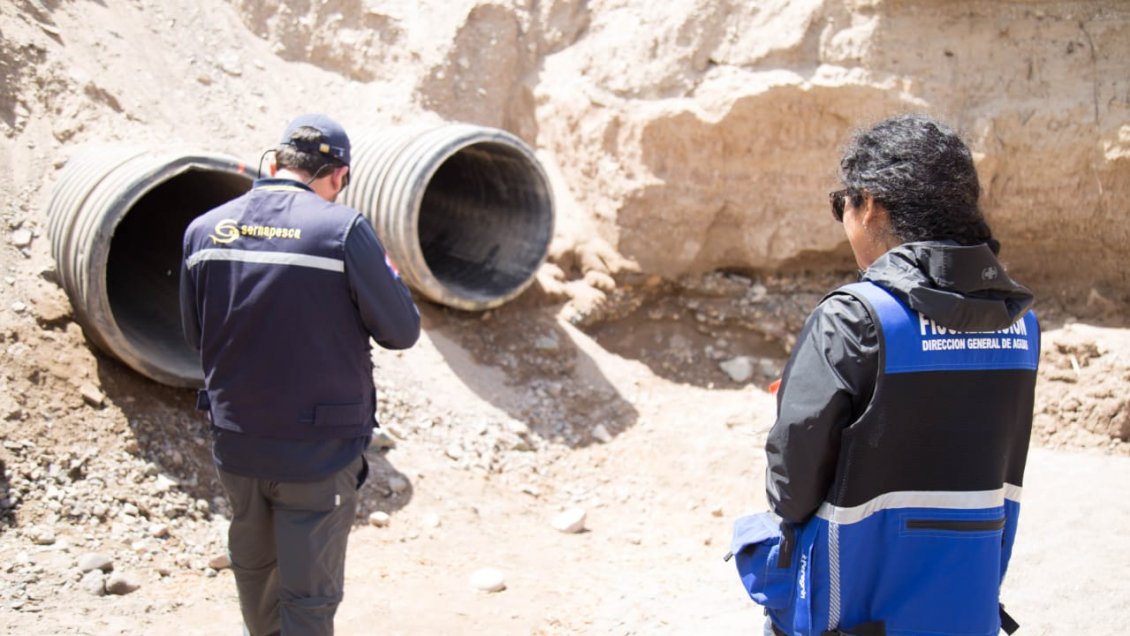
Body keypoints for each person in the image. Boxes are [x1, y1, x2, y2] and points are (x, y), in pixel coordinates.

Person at [733, 114, 1040, 636]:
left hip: (853, 612)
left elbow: (790, 489)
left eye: (841, 206)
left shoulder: (855, 318)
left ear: (869, 203)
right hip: (964, 611)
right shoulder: (1020, 324)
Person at [180, 113, 421, 635]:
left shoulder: (204, 229)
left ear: (277, 162)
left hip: (238, 444)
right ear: (338, 174)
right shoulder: (341, 229)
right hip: (319, 451)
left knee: (257, 581)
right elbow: (401, 331)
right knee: (308, 601)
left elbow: (195, 336)